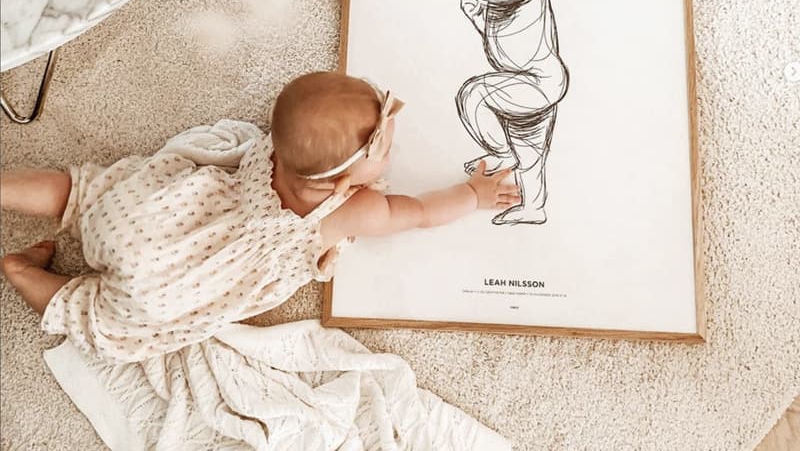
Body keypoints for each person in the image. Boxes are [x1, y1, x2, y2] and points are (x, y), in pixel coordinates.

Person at [0, 71, 518, 362]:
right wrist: (472, 194)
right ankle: (23, 274)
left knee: (84, 191)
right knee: (98, 319)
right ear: (343, 184)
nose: (391, 152)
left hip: (144, 215)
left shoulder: (277, 151)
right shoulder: (348, 210)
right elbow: (419, 213)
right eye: (383, 151)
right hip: (163, 287)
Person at [457, 0, 573, 225]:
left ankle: (501, 151)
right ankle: (533, 207)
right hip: (528, 81)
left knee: (474, 95)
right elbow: (503, 42)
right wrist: (479, 20)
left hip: (538, 81)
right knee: (530, 151)